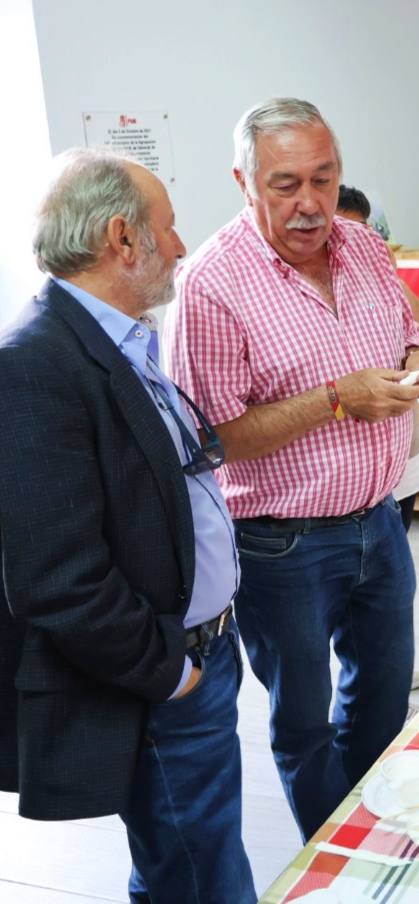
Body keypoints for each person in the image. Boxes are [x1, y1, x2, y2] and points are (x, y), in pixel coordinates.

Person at [165, 97, 419, 841]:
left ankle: (373, 833)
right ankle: (335, 862)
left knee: (384, 697)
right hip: (279, 545)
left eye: (323, 179)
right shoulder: (211, 283)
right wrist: (335, 399)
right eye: (285, 184)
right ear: (244, 181)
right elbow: (211, 439)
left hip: (380, 520)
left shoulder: (363, 247)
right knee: (303, 723)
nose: (310, 203)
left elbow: (405, 338)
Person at [0, 148, 253, 902]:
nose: (179, 245)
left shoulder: (120, 337)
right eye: (167, 227)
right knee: (199, 877)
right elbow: (58, 579)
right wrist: (172, 674)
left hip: (203, 648)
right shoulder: (32, 367)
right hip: (160, 677)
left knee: (188, 859)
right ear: (122, 238)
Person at [334, 183, 419, 692]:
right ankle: (365, 668)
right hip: (344, 474)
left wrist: (387, 272)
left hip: (400, 457)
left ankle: (387, 664)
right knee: (346, 586)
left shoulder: (377, 276)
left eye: (364, 230)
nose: (354, 239)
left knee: (391, 573)